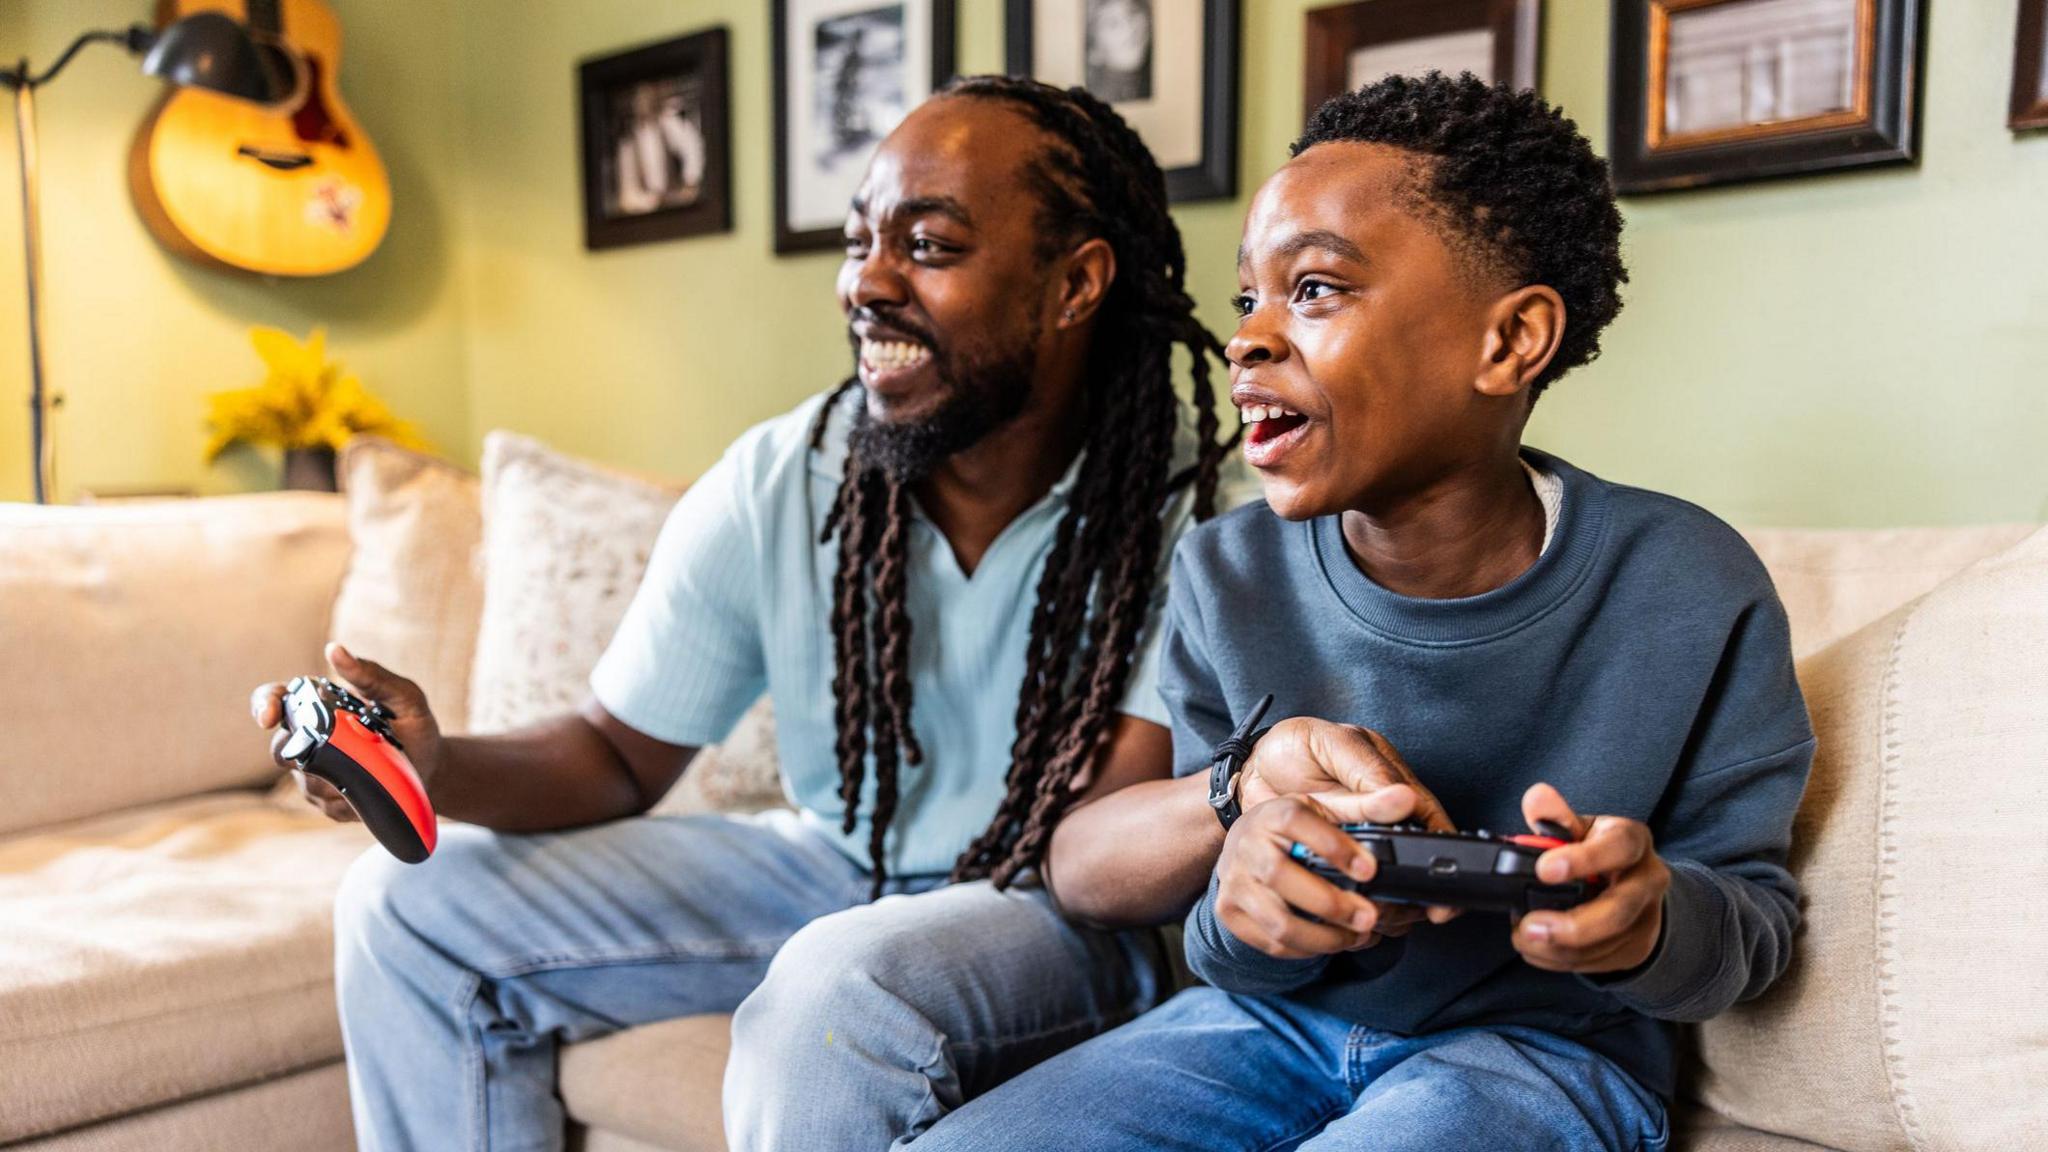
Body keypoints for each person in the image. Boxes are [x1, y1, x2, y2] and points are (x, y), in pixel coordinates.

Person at [249, 77, 1285, 1151]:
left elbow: (1092, 845)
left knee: (832, 993)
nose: (867, 282)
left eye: (928, 246)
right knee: (403, 908)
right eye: (858, 242)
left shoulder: (1198, 516)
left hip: (1053, 911)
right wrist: (432, 765)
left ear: (1075, 284)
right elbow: (614, 755)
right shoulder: (786, 476)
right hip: (830, 867)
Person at [914, 72, 1815, 1151]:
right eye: (1246, 299)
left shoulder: (1687, 584)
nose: (1248, 339)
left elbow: (1754, 924)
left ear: (1509, 342)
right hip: (1259, 1025)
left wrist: (1646, 922)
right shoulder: (1224, 570)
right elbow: (1214, 924)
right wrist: (1245, 898)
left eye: (1314, 289)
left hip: (1539, 1055)